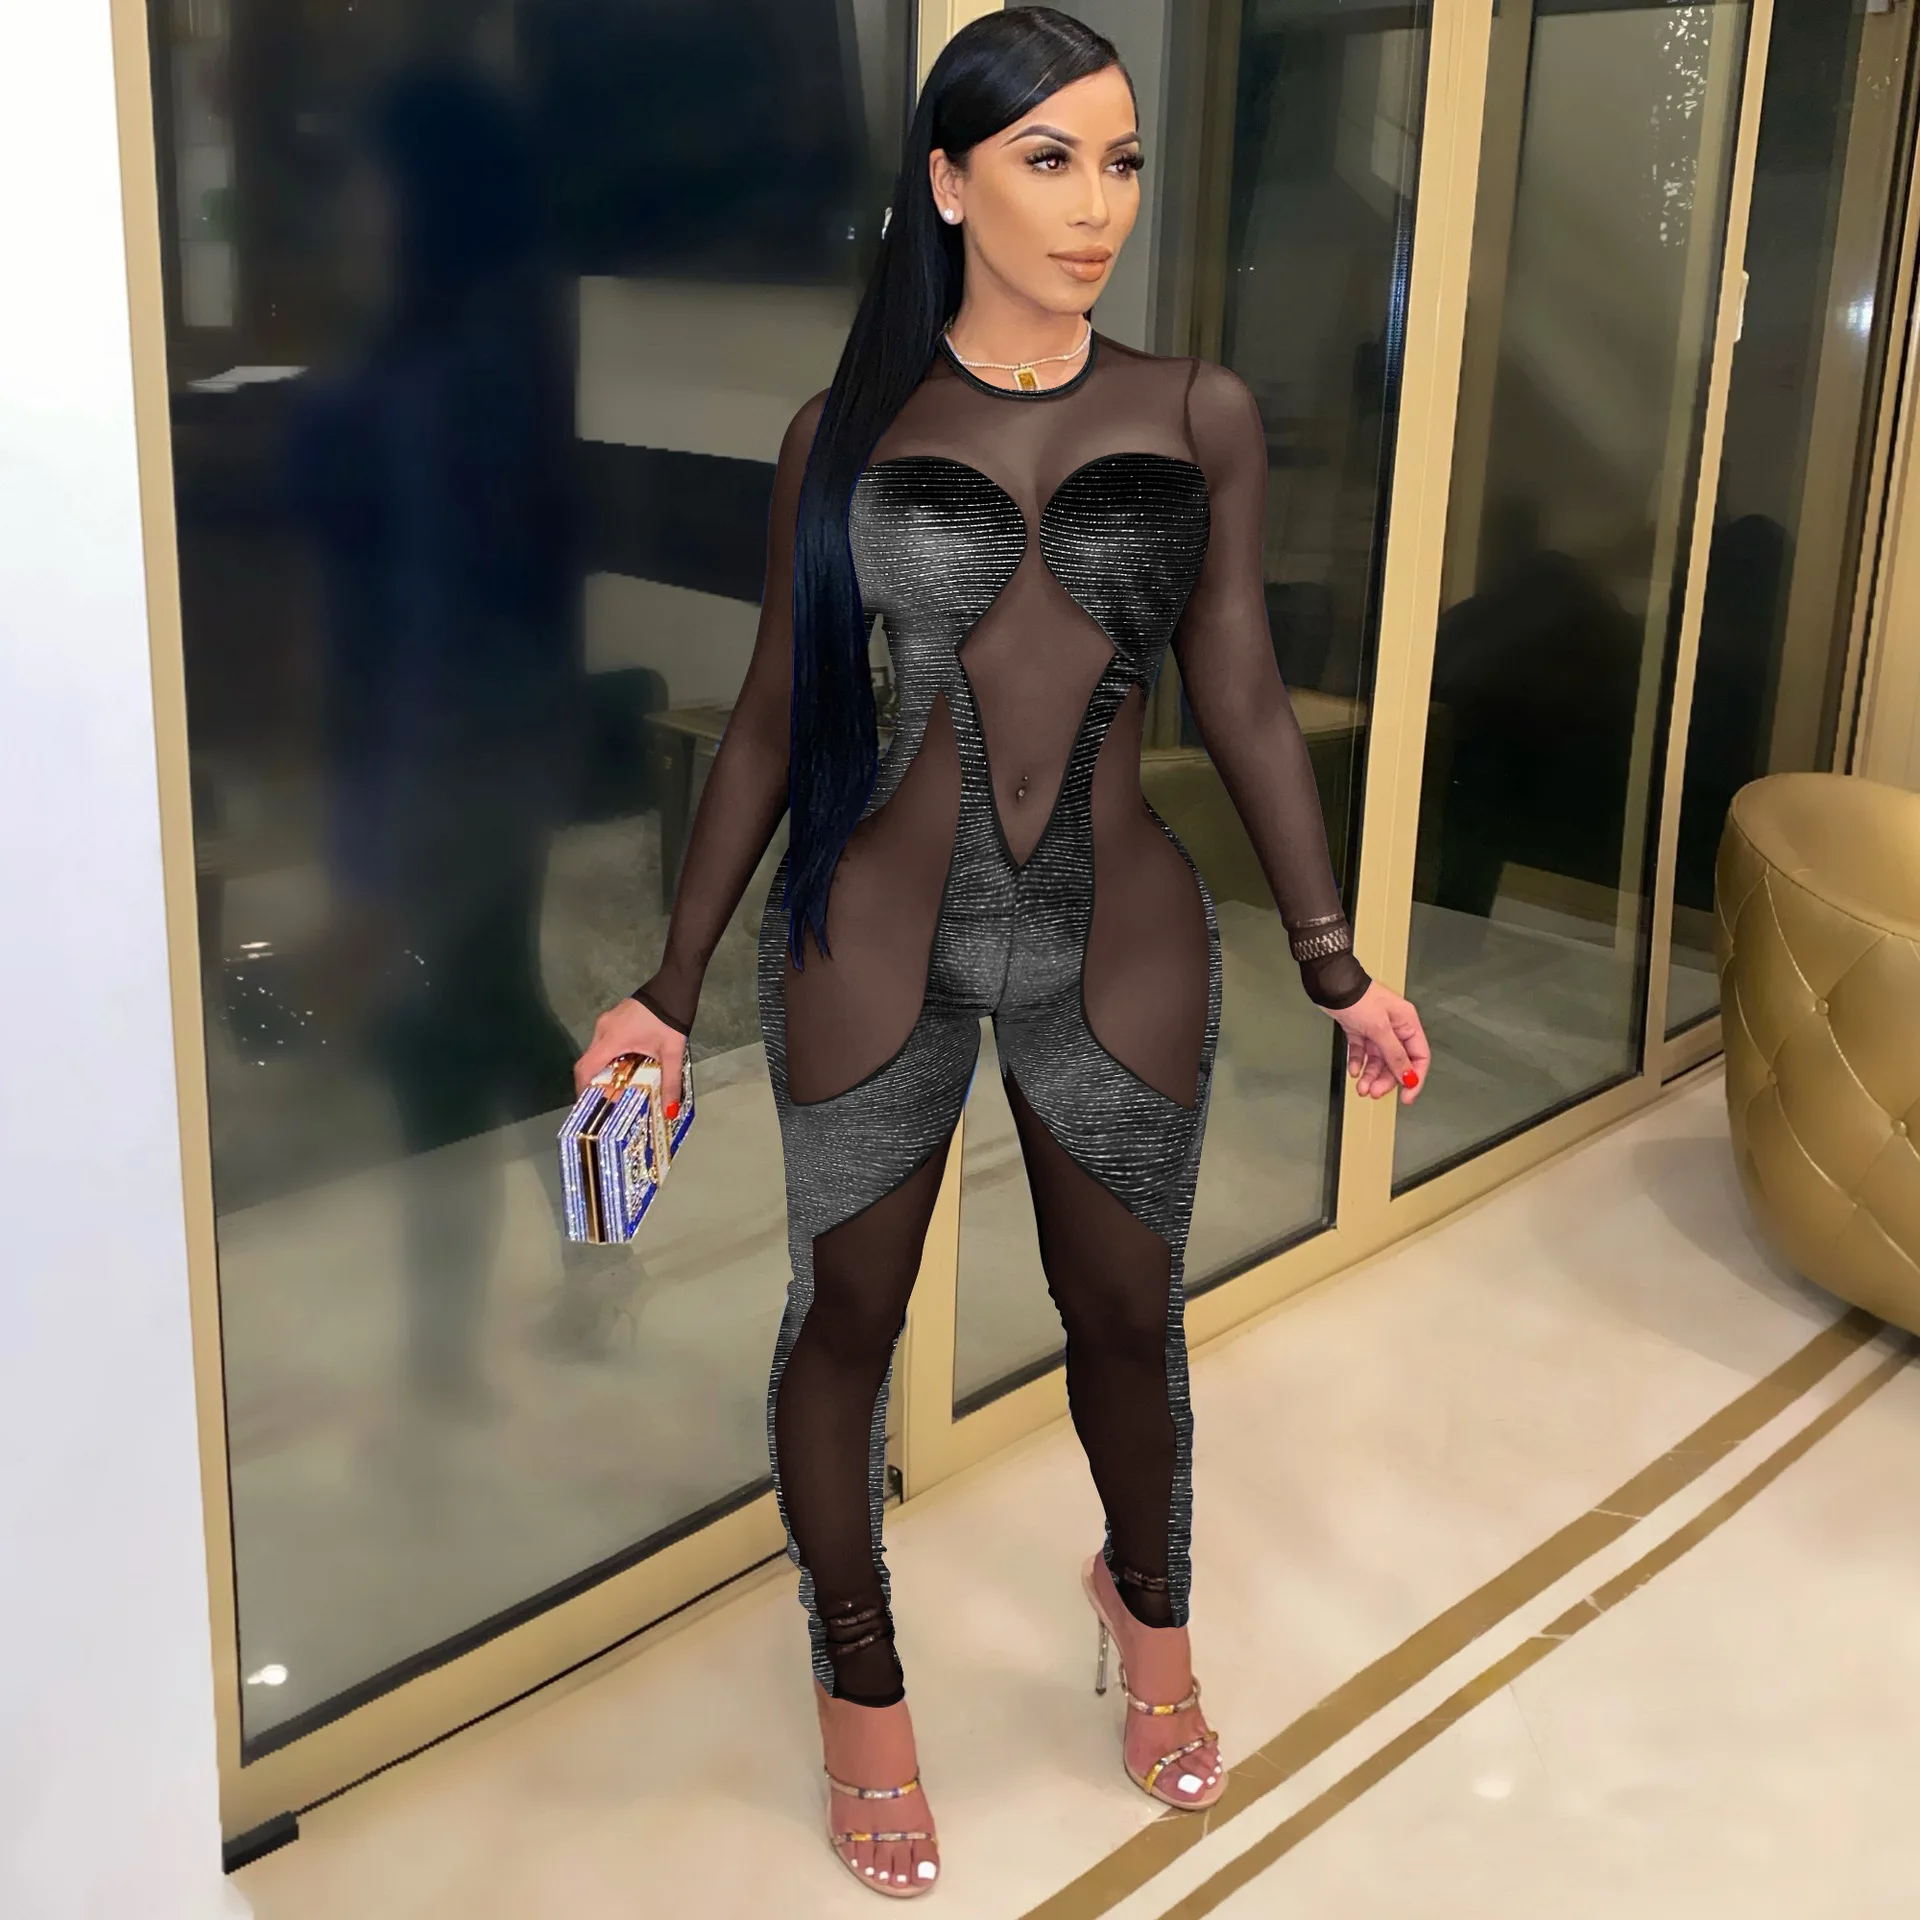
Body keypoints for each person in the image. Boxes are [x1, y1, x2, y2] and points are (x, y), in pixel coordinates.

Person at [574, 8, 1430, 1897]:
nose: (1098, 204)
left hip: (1120, 934)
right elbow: (772, 724)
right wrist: (665, 984)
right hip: (875, 933)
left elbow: (1246, 698)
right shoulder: (843, 436)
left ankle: (1149, 1613)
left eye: (1121, 161)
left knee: (1129, 1315)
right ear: (950, 182)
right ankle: (861, 1691)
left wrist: (1336, 961)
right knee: (847, 1324)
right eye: (1050, 160)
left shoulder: (1198, 412)